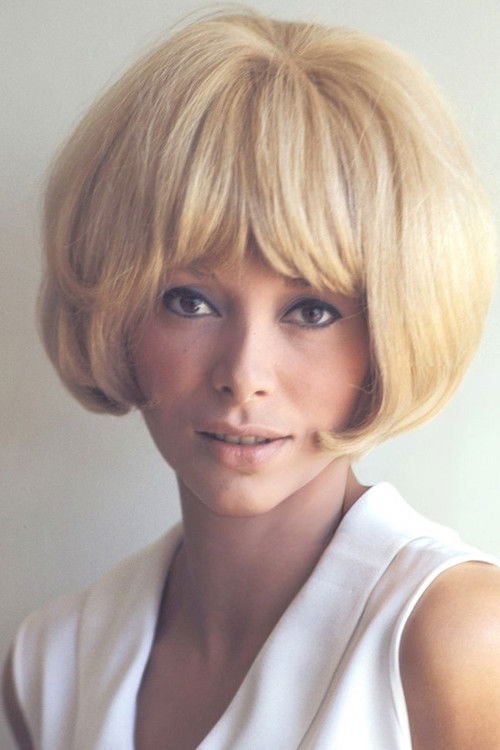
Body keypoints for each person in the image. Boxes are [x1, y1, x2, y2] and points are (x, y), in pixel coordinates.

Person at [4, 8, 500, 749]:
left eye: (311, 311)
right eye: (190, 301)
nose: (243, 376)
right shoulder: (51, 663)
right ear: (114, 310)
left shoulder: (457, 639)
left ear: (392, 330)